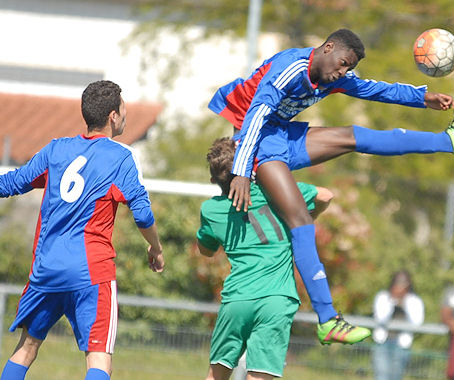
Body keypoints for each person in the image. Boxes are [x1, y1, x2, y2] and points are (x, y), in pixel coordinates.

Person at [208, 28, 454, 343]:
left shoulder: (332, 74)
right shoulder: (291, 67)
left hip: (280, 134)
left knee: (351, 136)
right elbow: (257, 113)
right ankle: (328, 318)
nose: (343, 72)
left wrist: (422, 97)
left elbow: (375, 89)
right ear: (327, 48)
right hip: (254, 141)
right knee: (300, 221)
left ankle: (450, 140)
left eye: (348, 68)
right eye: (343, 63)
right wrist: (240, 170)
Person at [0, 80, 165, 380]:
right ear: (113, 116)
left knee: (27, 347)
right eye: (124, 107)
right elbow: (142, 214)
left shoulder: (56, 149)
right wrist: (156, 247)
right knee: (99, 357)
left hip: (46, 268)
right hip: (91, 272)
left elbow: (12, 183)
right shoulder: (120, 157)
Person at [196, 138, 368, 380]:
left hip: (237, 298)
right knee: (261, 375)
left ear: (214, 180)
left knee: (216, 375)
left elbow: (206, 249)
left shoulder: (211, 210)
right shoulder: (274, 193)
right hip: (277, 299)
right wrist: (301, 218)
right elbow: (326, 196)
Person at [372, 270, 424, 380]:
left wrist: (404, 302)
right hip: (382, 342)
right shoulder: (383, 297)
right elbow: (381, 317)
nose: (400, 286)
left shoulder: (414, 300)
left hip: (402, 345)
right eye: (398, 282)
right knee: (381, 376)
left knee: (396, 376)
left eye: (404, 283)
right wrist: (393, 301)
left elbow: (417, 321)